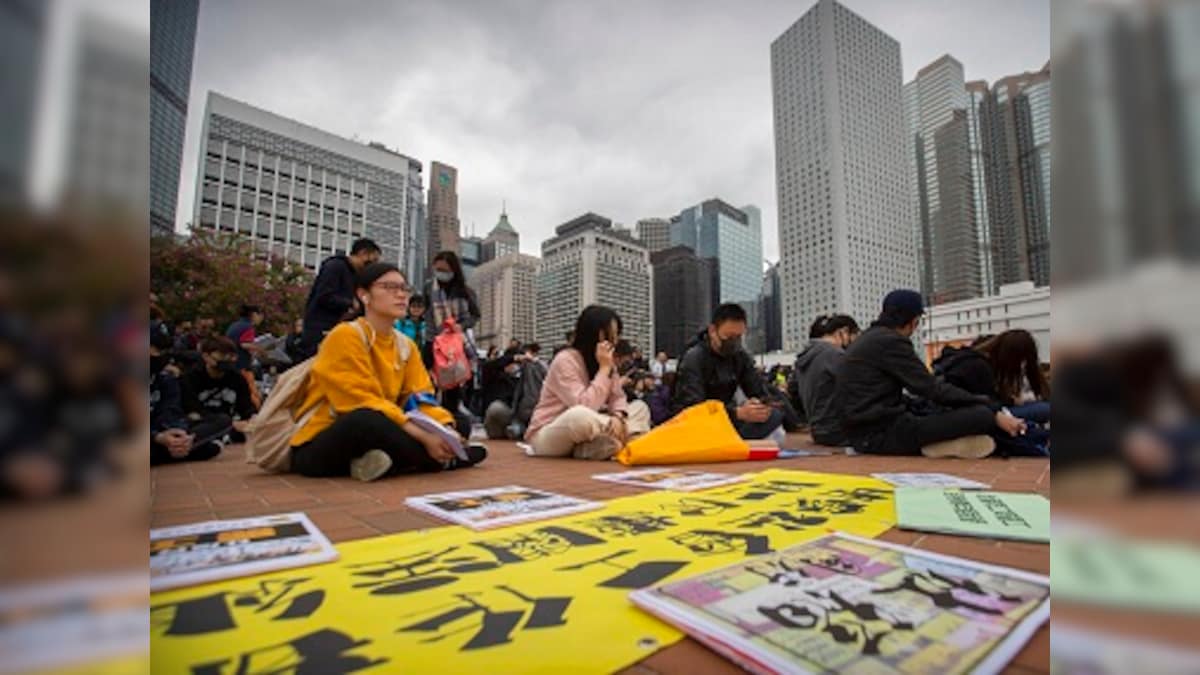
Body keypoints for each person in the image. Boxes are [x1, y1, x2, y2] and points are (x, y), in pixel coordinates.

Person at [288, 262, 485, 481]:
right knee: (366, 420)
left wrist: (446, 429)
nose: (400, 295)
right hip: (324, 440)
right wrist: (423, 436)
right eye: (389, 287)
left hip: (387, 423)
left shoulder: (405, 345)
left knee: (459, 422)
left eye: (403, 288)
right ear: (364, 295)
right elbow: (358, 399)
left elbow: (420, 396)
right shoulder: (345, 335)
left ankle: (387, 461)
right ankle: (443, 459)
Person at [835, 289, 1026, 458]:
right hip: (878, 436)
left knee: (949, 412)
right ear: (914, 321)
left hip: (862, 433)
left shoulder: (869, 339)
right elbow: (931, 388)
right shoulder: (891, 342)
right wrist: (990, 408)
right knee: (981, 416)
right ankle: (932, 446)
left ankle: (939, 445)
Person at [525, 306, 651, 459]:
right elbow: (585, 405)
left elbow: (618, 397)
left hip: (594, 428)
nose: (615, 340)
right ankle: (627, 438)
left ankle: (595, 447)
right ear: (596, 335)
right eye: (611, 335)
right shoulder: (565, 360)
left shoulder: (608, 362)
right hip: (549, 433)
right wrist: (604, 369)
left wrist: (618, 416)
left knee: (640, 407)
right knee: (579, 416)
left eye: (616, 334)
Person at [673, 303, 784, 442]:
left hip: (727, 419)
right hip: (696, 422)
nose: (734, 343)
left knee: (773, 417)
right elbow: (693, 408)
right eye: (729, 337)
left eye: (738, 337)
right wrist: (737, 413)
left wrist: (761, 405)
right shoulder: (693, 358)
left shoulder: (740, 356)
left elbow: (757, 388)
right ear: (713, 331)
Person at [934, 329, 1050, 455]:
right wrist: (1013, 402)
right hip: (978, 417)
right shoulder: (979, 366)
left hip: (965, 415)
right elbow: (987, 403)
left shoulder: (971, 360)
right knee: (1045, 409)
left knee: (1041, 410)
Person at [151, 329, 226, 466]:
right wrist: (157, 437)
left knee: (222, 420)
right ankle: (185, 449)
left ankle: (184, 445)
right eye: (156, 352)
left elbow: (170, 410)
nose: (161, 357)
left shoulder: (165, 379)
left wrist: (177, 433)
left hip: (164, 431)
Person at [298, 238, 382, 359]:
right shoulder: (335, 266)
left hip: (339, 330)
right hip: (320, 329)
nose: (372, 266)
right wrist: (350, 304)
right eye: (373, 261)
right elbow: (324, 296)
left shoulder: (356, 276)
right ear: (363, 253)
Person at [425, 251, 481, 429]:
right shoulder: (428, 288)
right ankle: (430, 422)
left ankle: (450, 423)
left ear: (454, 270)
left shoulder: (466, 291)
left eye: (445, 269)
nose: (441, 273)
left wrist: (461, 327)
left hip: (456, 345)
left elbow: (475, 316)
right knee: (428, 383)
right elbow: (425, 313)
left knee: (453, 386)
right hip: (432, 341)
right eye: (438, 269)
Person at [794, 314, 860, 446]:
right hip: (838, 430)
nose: (852, 343)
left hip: (819, 431)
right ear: (842, 332)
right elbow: (859, 388)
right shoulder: (835, 354)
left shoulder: (806, 356)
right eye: (852, 337)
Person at [182, 337, 258, 443]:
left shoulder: (237, 378)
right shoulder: (190, 378)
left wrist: (253, 418)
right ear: (206, 356)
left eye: (231, 356)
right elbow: (192, 410)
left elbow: (246, 406)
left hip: (233, 425)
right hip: (204, 424)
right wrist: (229, 423)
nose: (227, 359)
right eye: (222, 355)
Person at [225, 304, 265, 408]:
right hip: (242, 365)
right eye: (260, 315)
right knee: (250, 391)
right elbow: (244, 343)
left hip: (230, 363)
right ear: (254, 315)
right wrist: (260, 348)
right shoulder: (248, 327)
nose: (261, 318)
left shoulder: (234, 325)